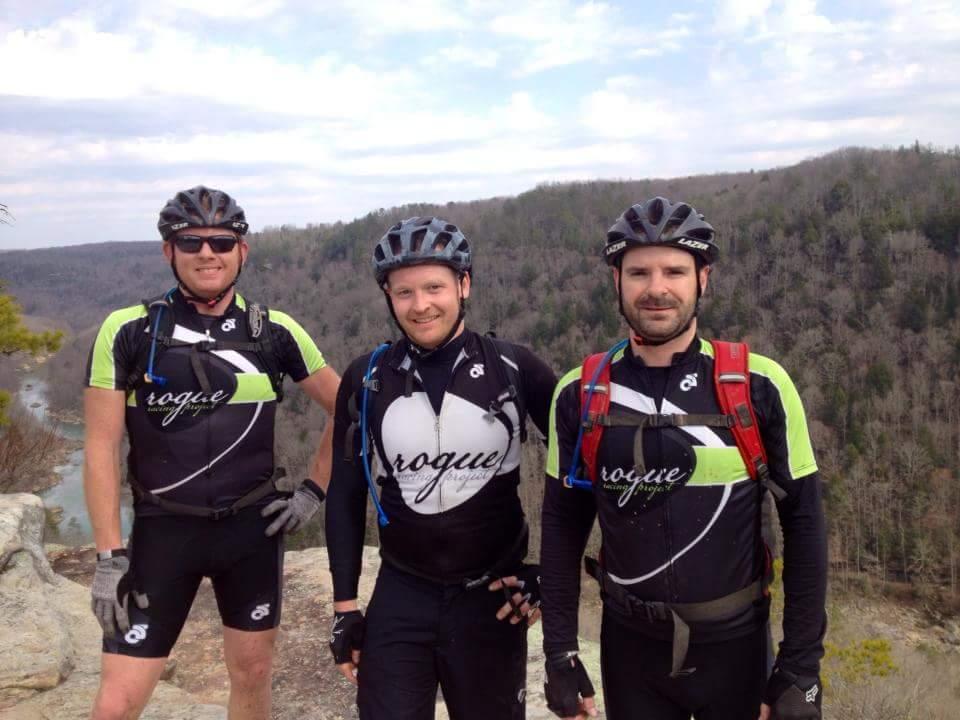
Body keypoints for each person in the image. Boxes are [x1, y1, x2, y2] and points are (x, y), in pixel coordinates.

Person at [539, 197, 827, 720]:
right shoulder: (579, 393)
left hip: (737, 651)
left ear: (703, 278)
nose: (656, 288)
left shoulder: (760, 386)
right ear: (615, 280)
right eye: (639, 272)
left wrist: (800, 668)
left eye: (674, 270)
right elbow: (561, 528)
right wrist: (560, 654)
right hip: (629, 651)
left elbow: (805, 526)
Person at [84, 185, 339, 720]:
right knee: (118, 701)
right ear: (168, 252)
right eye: (190, 241)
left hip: (251, 533)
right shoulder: (129, 330)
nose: (207, 253)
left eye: (222, 241)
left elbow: (350, 410)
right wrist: (109, 556)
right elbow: (101, 448)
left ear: (241, 252)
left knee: (252, 677)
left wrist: (314, 490)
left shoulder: (274, 332)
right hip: (162, 533)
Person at [325, 216, 557, 719]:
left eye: (434, 287)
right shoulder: (367, 378)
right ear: (388, 296)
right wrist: (345, 606)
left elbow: (577, 480)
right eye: (403, 291)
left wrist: (548, 577)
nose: (420, 304)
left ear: (464, 284)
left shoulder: (517, 368)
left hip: (491, 598)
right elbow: (344, 494)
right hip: (402, 593)